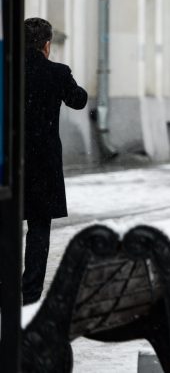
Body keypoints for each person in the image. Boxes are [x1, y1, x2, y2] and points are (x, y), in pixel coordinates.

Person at [21, 18, 89, 304]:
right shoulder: (56, 73)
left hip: (9, 157)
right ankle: (31, 290)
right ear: (47, 45)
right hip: (42, 160)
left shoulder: (7, 69)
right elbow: (79, 100)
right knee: (39, 227)